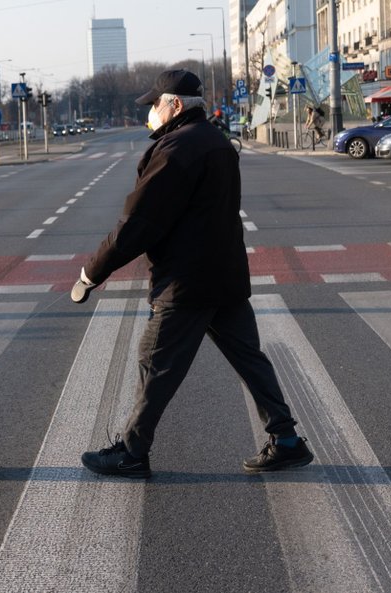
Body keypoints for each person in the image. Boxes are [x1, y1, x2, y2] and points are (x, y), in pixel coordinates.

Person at [71, 69, 314, 479]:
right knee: (249, 359)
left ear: (175, 105)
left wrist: (91, 275)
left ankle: (131, 452)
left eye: (154, 104)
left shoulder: (176, 149)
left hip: (186, 282)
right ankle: (286, 440)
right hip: (226, 275)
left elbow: (138, 224)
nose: (150, 112)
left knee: (156, 364)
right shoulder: (217, 141)